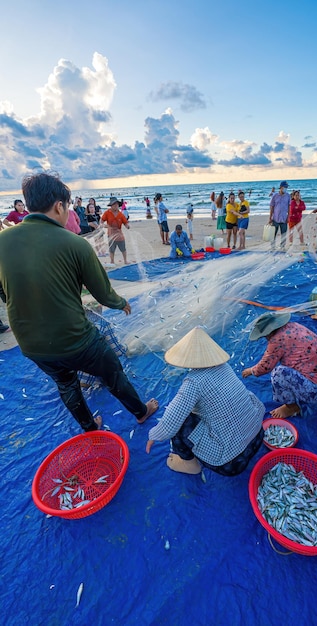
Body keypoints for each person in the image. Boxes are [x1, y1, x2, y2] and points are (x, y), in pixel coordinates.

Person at [0, 172, 158, 432]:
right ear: (59, 205)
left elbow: (3, 292)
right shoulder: (75, 243)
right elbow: (102, 293)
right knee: (112, 372)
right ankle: (141, 412)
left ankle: (90, 426)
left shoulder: (2, 241)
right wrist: (121, 303)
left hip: (30, 344)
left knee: (66, 383)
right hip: (75, 340)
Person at [146, 327, 265, 476]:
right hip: (258, 437)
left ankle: (189, 464)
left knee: (181, 422)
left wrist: (153, 435)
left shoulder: (194, 382)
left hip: (231, 462)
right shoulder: (225, 366)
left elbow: (170, 422)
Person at [242, 312, 317, 419]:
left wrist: (251, 370)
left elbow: (265, 367)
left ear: (268, 333)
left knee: (278, 373)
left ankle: (291, 407)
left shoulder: (276, 341)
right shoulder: (294, 326)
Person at [100, 197, 130, 264]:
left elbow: (125, 222)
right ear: (111, 205)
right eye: (114, 204)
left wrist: (127, 226)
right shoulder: (107, 213)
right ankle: (112, 261)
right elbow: (101, 222)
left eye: (117, 204)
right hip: (111, 234)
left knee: (123, 248)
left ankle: (125, 260)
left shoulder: (120, 214)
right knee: (112, 249)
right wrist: (106, 226)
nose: (116, 205)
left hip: (119, 235)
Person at [269, 181, 290, 249]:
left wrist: (288, 216)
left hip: (284, 218)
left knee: (284, 234)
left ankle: (282, 247)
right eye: (285, 187)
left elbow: (289, 207)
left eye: (286, 187)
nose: (286, 189)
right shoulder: (275, 196)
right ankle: (273, 247)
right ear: (281, 187)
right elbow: (272, 207)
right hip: (275, 218)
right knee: (273, 234)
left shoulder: (288, 196)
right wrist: (270, 217)